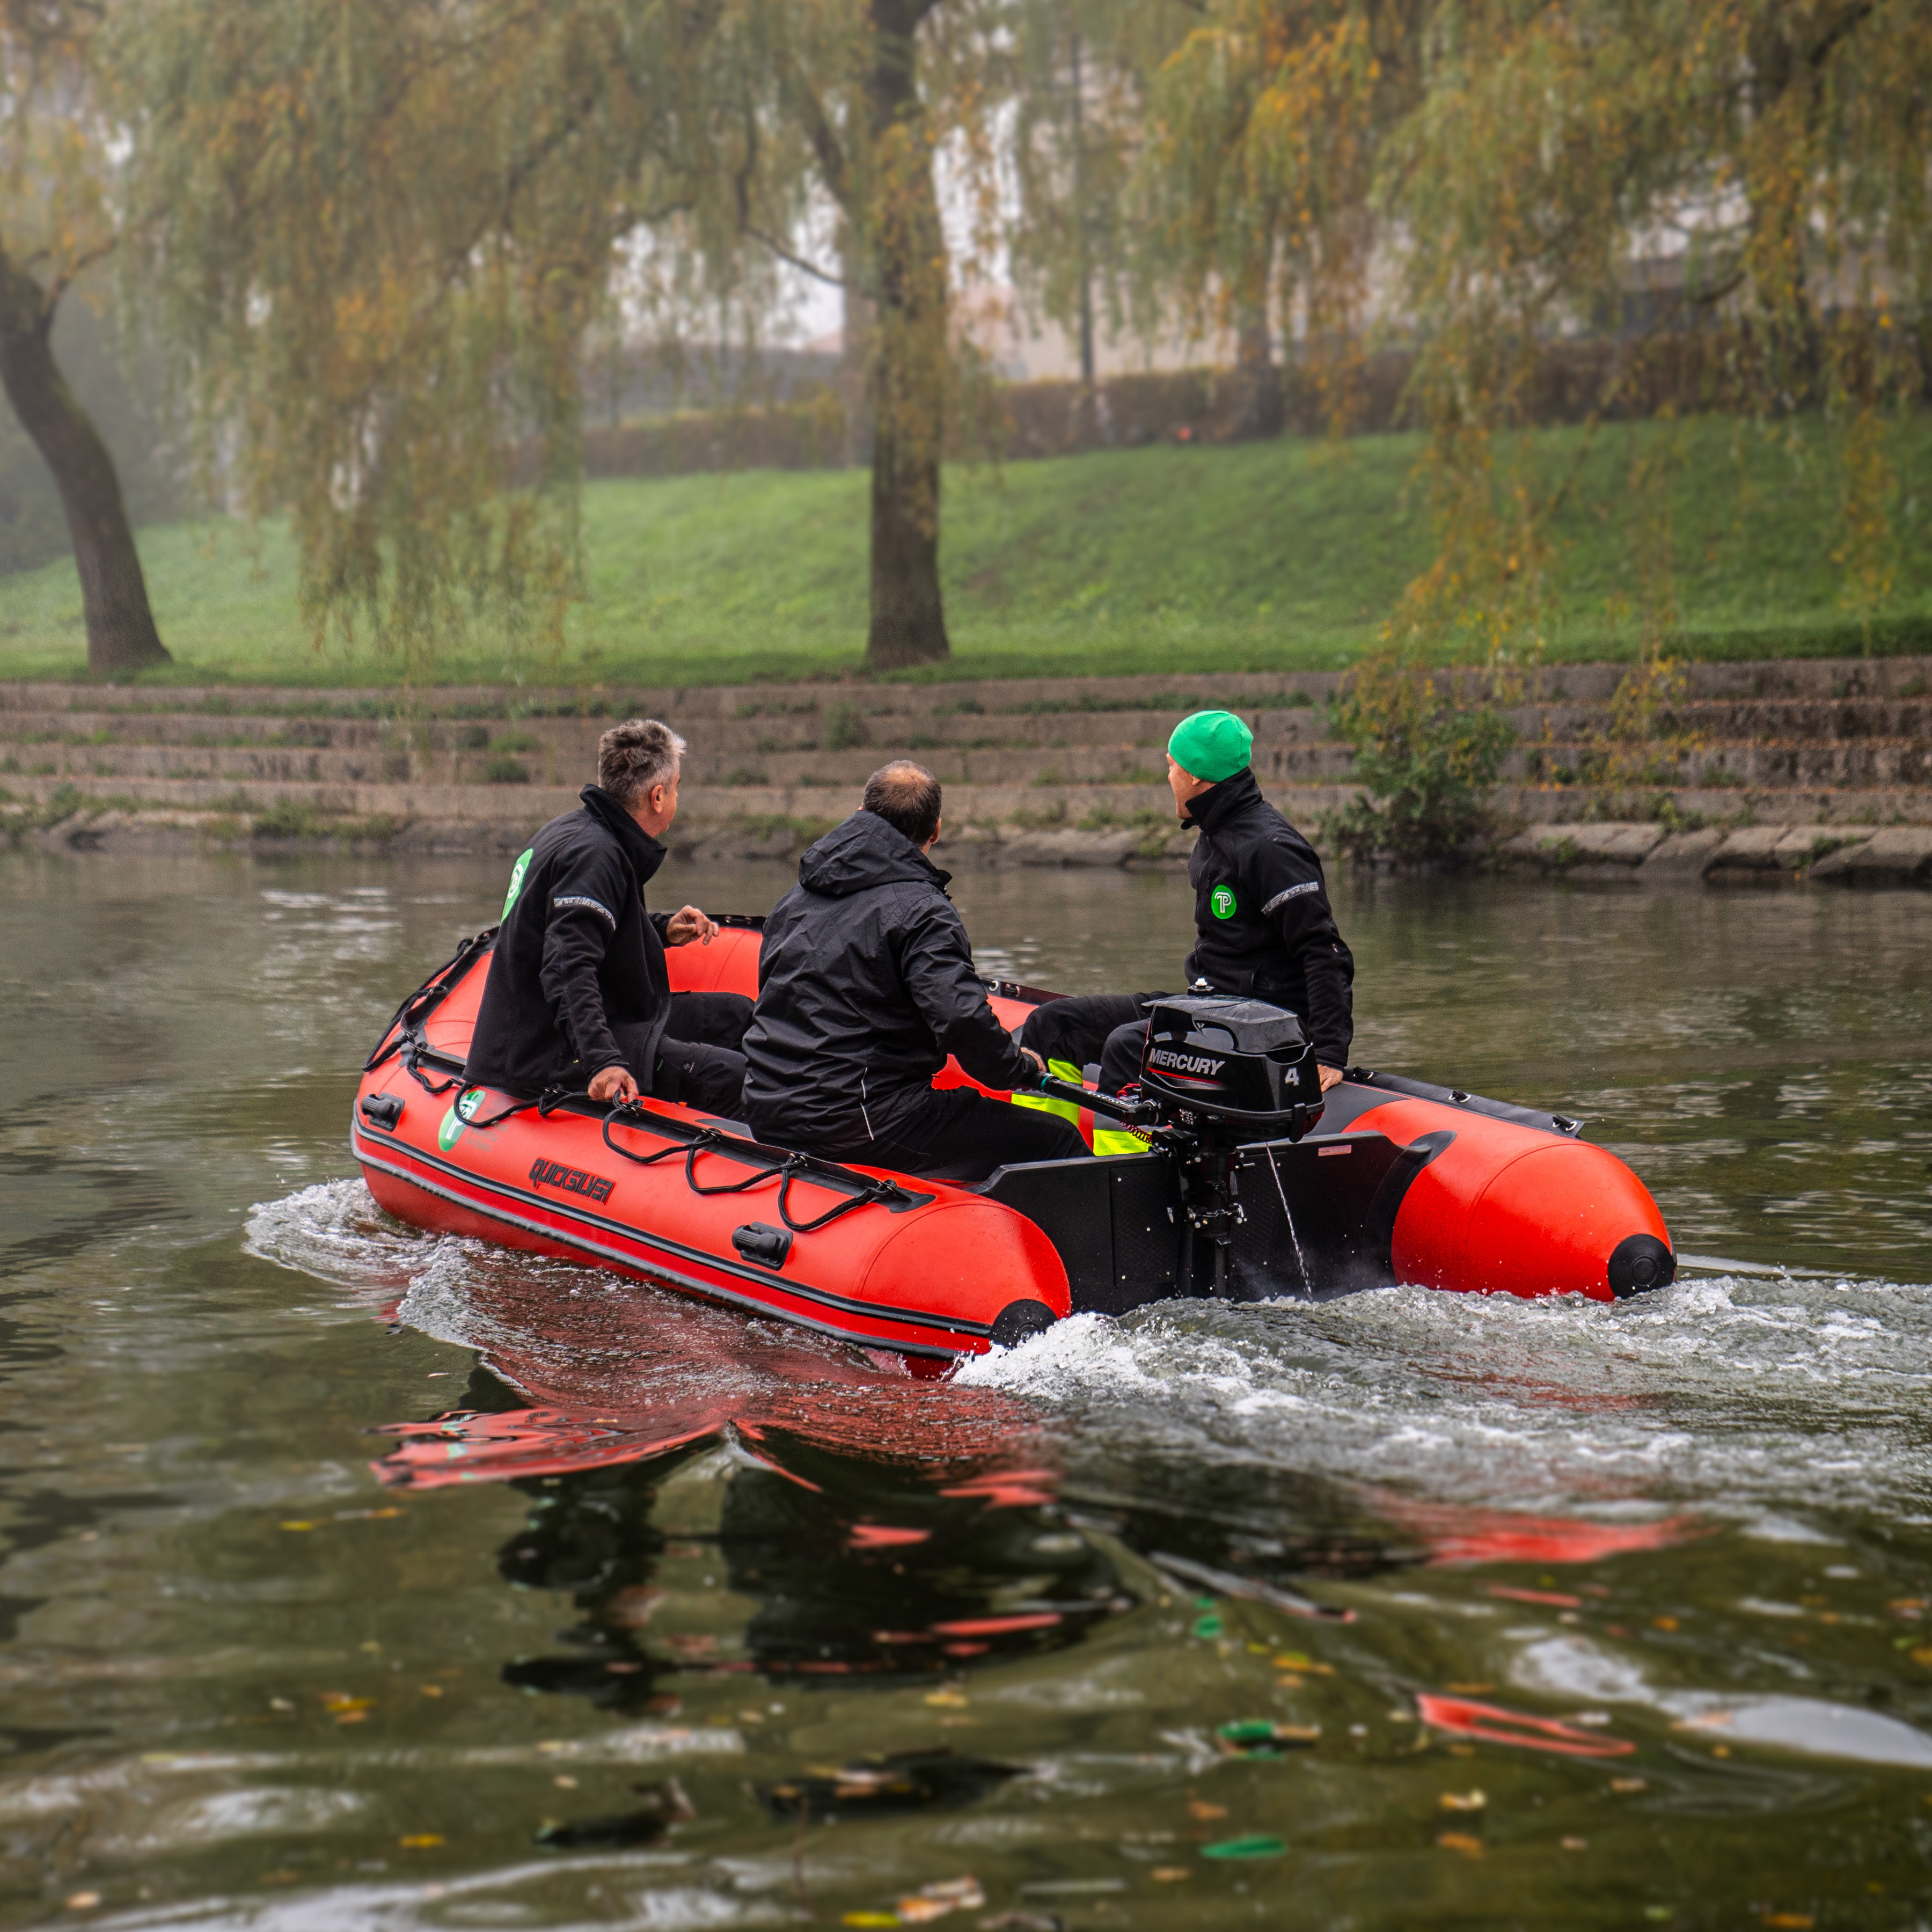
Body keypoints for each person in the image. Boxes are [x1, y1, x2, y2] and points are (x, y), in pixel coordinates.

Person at [1016, 709, 1353, 1154]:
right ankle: (1044, 1161)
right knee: (1052, 1027)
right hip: (1209, 1006)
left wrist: (1327, 1052)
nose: (1168, 773)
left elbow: (1324, 950)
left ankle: (1124, 1197)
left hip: (1260, 1030)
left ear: (1195, 776)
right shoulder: (1216, 827)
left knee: (1125, 1048)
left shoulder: (1269, 848)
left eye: (1172, 764)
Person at [740, 761, 1088, 1183]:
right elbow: (961, 1019)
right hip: (859, 1119)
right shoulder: (923, 911)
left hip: (767, 1105)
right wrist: (1019, 1068)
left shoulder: (796, 896)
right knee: (1058, 1140)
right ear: (936, 831)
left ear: (861, 811)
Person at [463, 718, 751, 1115]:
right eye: (678, 788)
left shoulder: (582, 833)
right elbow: (566, 967)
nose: (677, 800)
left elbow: (585, 932)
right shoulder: (594, 855)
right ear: (657, 797)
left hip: (600, 1022)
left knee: (739, 1016)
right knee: (730, 1076)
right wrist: (603, 1062)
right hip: (547, 1051)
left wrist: (661, 929)